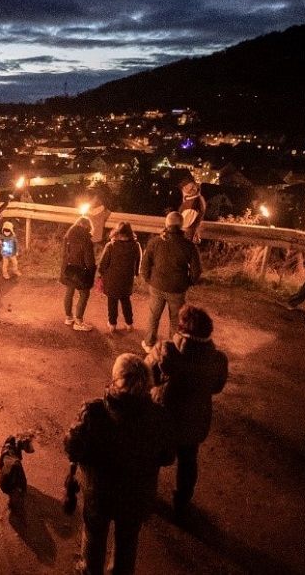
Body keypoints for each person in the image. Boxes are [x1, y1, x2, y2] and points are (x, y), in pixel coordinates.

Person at [64, 354, 174, 575]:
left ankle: (89, 569)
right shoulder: (159, 416)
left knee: (94, 535)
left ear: (116, 379)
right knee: (127, 541)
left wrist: (73, 436)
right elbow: (167, 457)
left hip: (100, 494)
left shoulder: (95, 412)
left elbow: (73, 450)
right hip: (137, 496)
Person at [145, 305, 228, 520]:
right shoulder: (218, 359)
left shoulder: (166, 350)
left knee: (153, 457)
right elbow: (217, 387)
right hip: (195, 419)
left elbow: (146, 376)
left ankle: (147, 495)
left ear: (181, 328)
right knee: (189, 460)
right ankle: (182, 502)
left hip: (164, 415)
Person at [140, 212, 202, 352]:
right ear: (181, 226)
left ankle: (149, 343)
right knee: (176, 319)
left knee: (153, 315)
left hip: (156, 285)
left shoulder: (155, 242)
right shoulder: (189, 246)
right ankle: (173, 347)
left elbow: (145, 264)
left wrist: (149, 279)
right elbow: (196, 271)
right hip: (177, 288)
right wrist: (188, 282)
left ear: (166, 224)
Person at [98, 223, 141, 333]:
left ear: (118, 232)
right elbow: (138, 262)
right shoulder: (136, 246)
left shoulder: (111, 245)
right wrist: (136, 273)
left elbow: (103, 263)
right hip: (127, 280)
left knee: (112, 302)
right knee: (126, 301)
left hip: (112, 279)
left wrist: (101, 273)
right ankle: (129, 323)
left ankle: (112, 324)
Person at [61, 216, 96, 332]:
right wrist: (92, 273)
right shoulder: (86, 239)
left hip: (68, 268)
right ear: (87, 226)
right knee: (84, 294)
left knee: (69, 292)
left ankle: (68, 318)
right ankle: (79, 321)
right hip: (81, 271)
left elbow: (64, 254)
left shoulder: (68, 236)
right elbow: (89, 261)